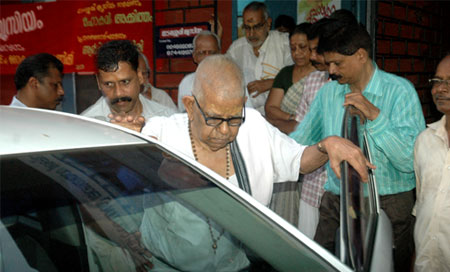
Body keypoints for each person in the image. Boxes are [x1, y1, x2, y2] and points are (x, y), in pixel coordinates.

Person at [113, 54, 373, 270]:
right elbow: (118, 173)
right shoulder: (162, 134)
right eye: (215, 119)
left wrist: (326, 145)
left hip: (235, 265)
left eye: (234, 119)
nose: (226, 131)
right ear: (191, 106)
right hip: (168, 266)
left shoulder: (254, 127)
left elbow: (299, 161)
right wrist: (126, 138)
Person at [290, 21, 425, 271]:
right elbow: (299, 142)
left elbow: (409, 162)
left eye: (337, 63)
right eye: (328, 63)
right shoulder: (328, 93)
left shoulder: (400, 92)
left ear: (361, 55)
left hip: (390, 203)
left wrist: (375, 117)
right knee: (325, 265)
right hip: (337, 201)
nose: (331, 71)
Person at [291, 18, 331, 239]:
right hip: (312, 183)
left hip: (340, 189)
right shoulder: (312, 80)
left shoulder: (352, 84)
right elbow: (302, 127)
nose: (312, 56)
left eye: (317, 50)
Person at [413, 53, 450, 272]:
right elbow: (423, 210)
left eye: (449, 82)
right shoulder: (424, 141)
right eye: (437, 81)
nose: (440, 89)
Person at [82, 40, 176, 123]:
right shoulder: (86, 125)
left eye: (125, 82)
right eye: (109, 84)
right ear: (98, 83)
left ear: (140, 77)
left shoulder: (167, 119)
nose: (118, 93)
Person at [227, 1, 293, 115]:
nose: (251, 34)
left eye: (256, 27)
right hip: (248, 117)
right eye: (247, 28)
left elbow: (300, 76)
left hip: (281, 116)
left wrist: (272, 83)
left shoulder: (284, 44)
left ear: (268, 24)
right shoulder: (236, 49)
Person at [265, 22, 315, 134]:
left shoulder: (321, 74)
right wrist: (291, 117)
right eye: (293, 48)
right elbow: (271, 108)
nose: (297, 53)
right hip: (284, 133)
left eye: (302, 47)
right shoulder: (285, 73)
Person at [177, 30, 221, 112]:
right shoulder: (186, 83)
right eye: (202, 53)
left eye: (212, 52)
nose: (207, 57)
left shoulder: (232, 80)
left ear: (219, 54)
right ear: (194, 57)